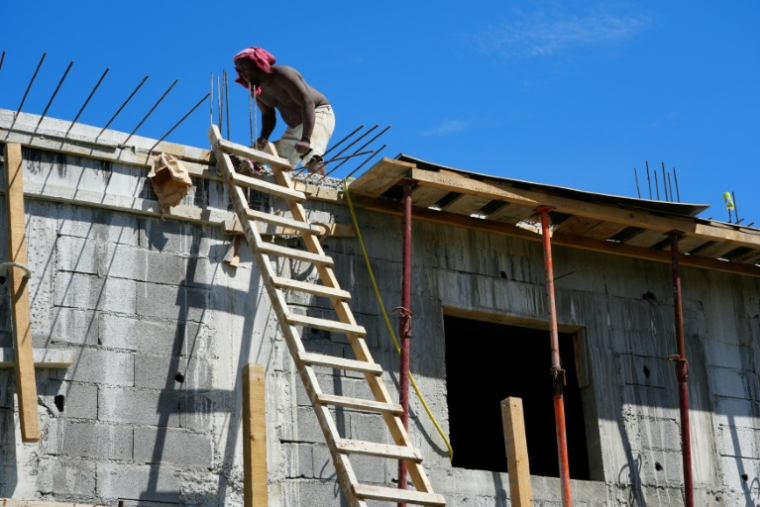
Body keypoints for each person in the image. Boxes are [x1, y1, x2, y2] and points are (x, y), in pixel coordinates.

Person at [233, 46, 335, 175]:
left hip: (317, 114)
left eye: (245, 67)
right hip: (294, 127)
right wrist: (263, 138)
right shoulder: (256, 91)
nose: (242, 73)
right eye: (239, 70)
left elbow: (307, 103)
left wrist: (306, 139)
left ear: (257, 63)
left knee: (310, 152)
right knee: (279, 160)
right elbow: (268, 115)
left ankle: (321, 187)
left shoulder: (283, 75)